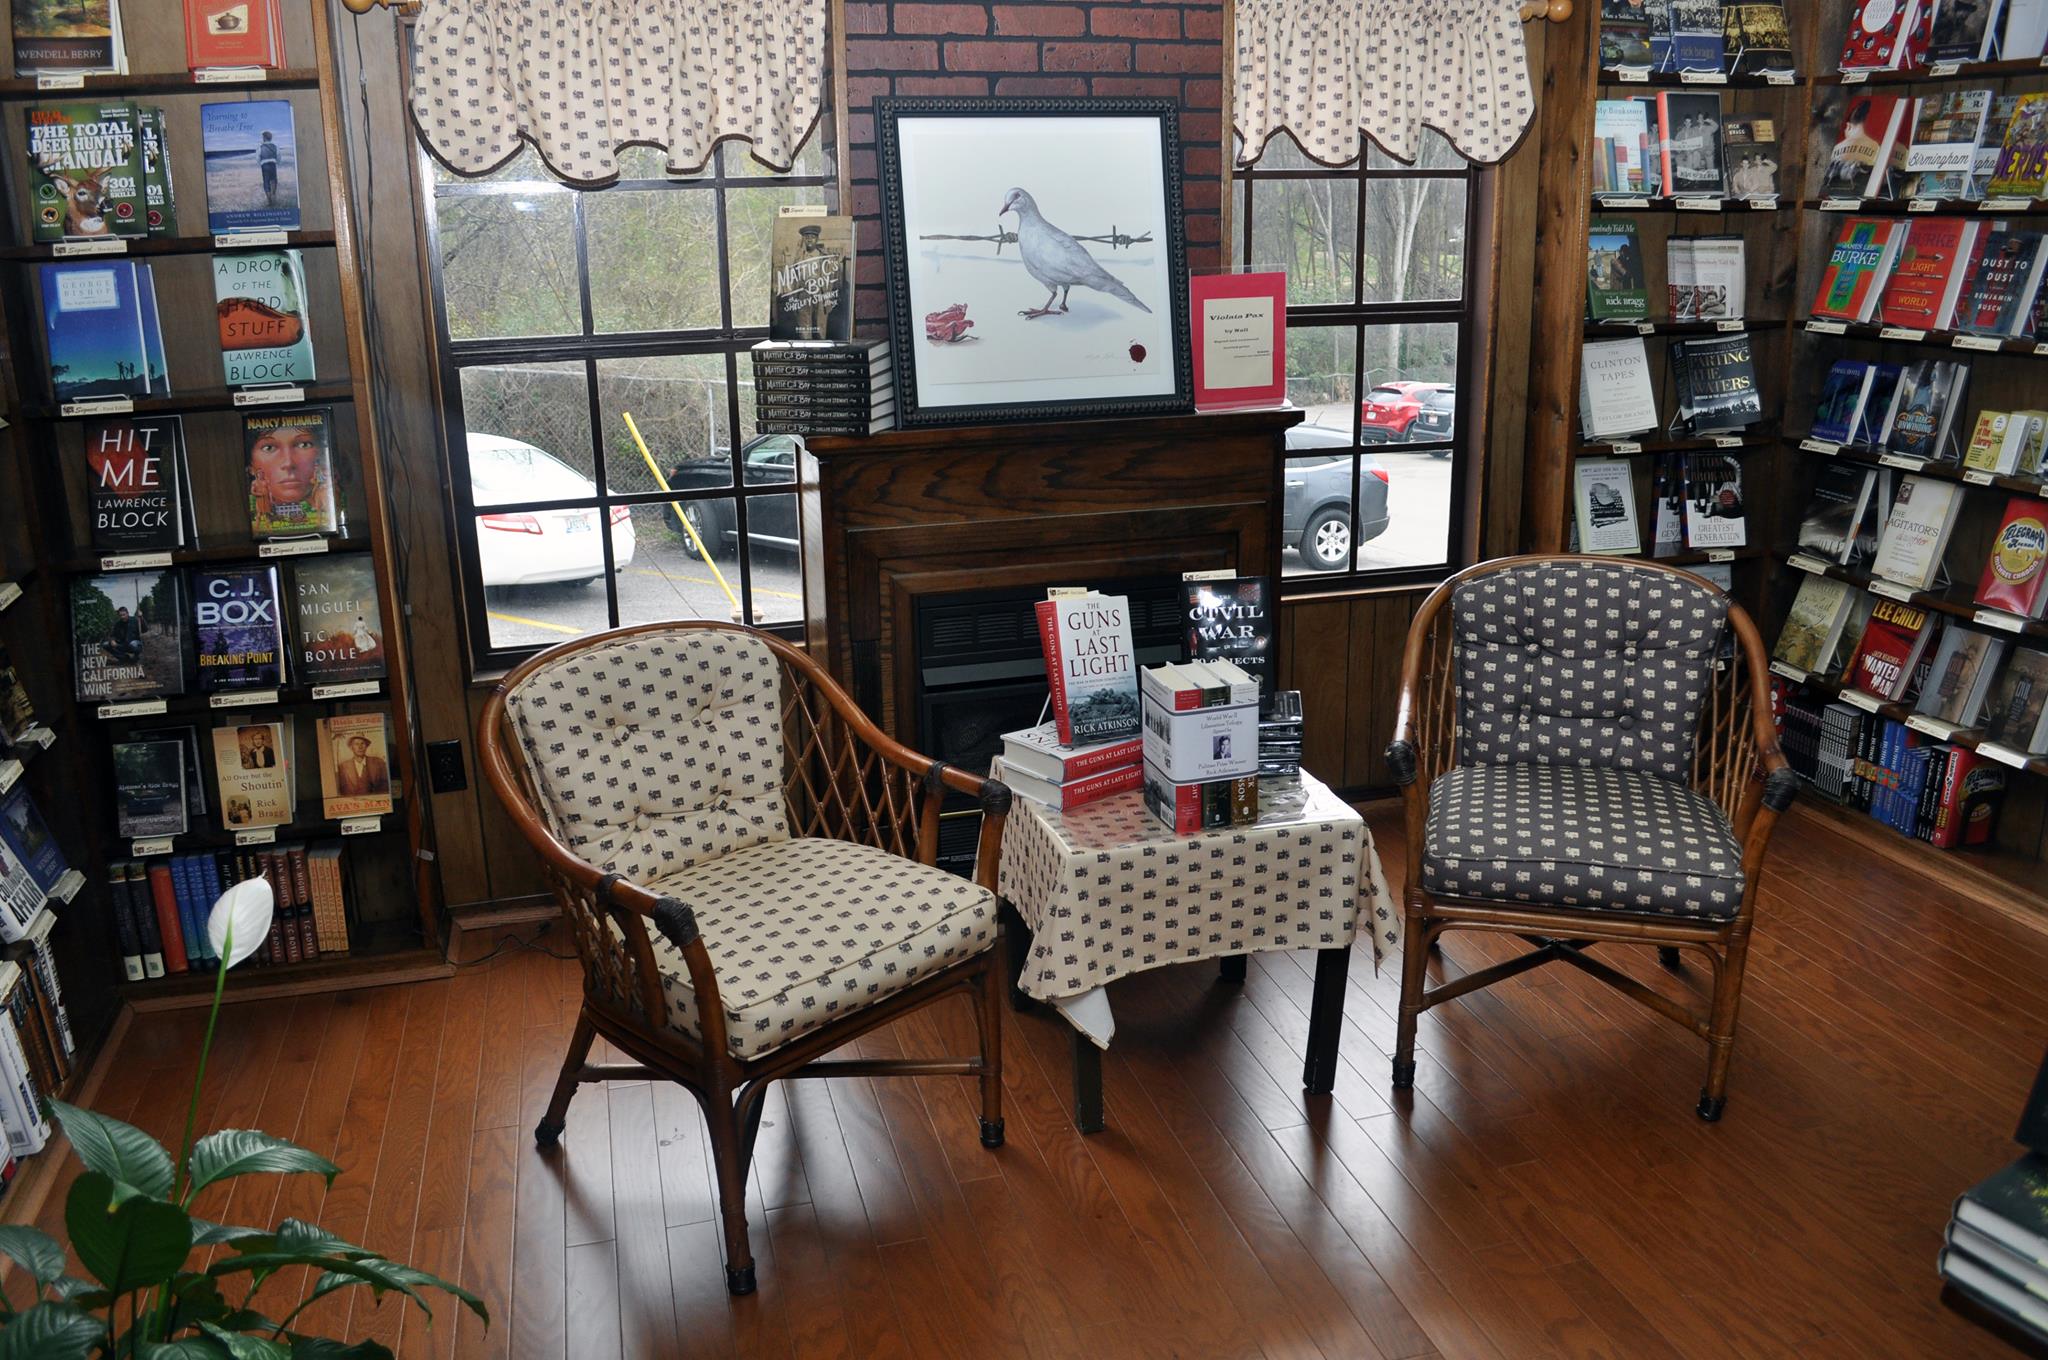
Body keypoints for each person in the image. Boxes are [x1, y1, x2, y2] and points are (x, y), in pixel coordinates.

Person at [248, 419, 332, 531]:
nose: (288, 463)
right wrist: (261, 493)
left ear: (321, 454)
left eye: (304, 445)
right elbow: (255, 491)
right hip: (262, 501)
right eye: (269, 448)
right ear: (251, 465)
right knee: (261, 515)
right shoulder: (257, 484)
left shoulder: (323, 485)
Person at [257, 130, 280, 206]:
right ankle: (273, 195)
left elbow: (258, 158)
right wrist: (277, 162)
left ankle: (269, 200)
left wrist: (261, 163)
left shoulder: (260, 147)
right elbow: (278, 156)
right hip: (273, 164)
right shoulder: (275, 146)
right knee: (274, 180)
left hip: (265, 165)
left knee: (266, 182)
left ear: (264, 138)